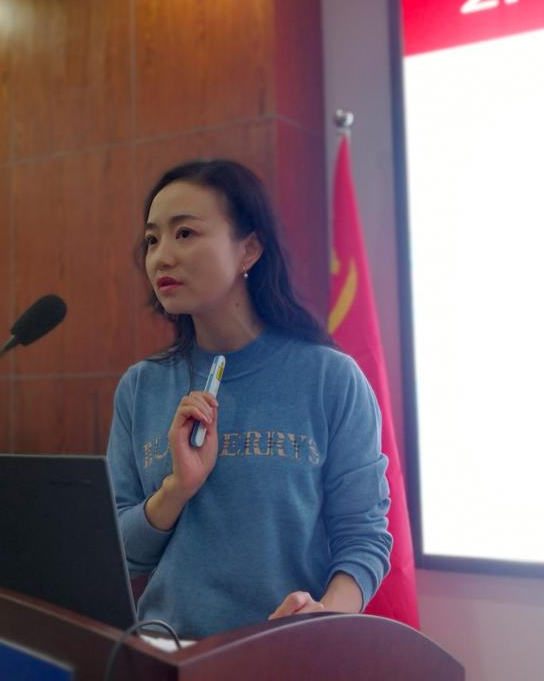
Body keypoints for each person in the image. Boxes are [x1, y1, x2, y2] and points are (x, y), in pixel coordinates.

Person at [106, 159, 391, 638]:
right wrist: (176, 488)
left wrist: (325, 615)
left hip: (287, 654)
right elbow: (121, 553)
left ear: (249, 250)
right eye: (152, 240)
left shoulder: (330, 379)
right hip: (167, 653)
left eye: (185, 233)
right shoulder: (141, 387)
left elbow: (364, 540)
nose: (161, 258)